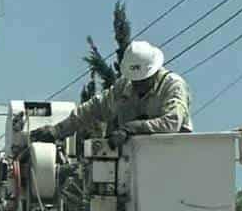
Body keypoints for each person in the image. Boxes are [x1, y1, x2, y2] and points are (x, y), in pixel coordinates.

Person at [30, 40, 190, 148]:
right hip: (135, 163)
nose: (137, 84)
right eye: (135, 80)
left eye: (143, 80)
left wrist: (131, 128)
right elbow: (93, 109)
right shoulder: (125, 87)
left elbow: (171, 123)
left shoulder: (172, 85)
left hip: (172, 159)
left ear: (154, 72)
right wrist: (58, 131)